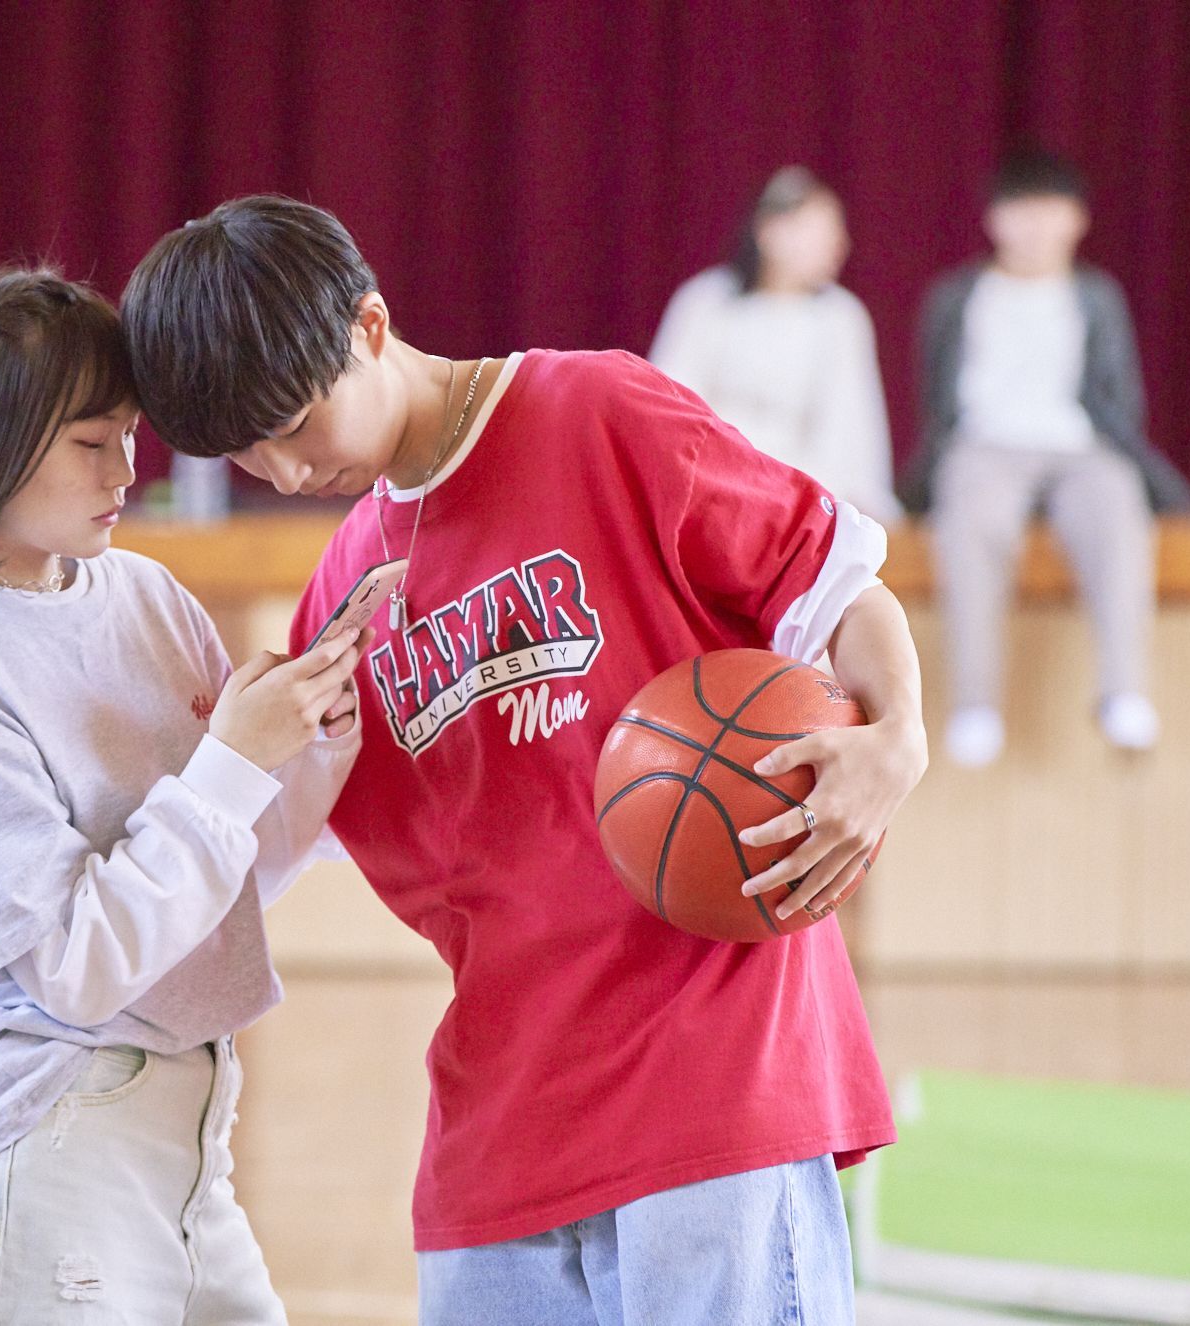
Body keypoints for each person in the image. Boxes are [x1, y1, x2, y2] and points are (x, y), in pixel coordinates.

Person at [123, 197, 927, 1325]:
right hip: (498, 1134)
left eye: (295, 424)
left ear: (367, 325)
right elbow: (269, 868)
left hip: (712, 1083)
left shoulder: (597, 410)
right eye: (244, 453)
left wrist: (895, 737)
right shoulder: (338, 604)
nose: (284, 471)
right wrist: (254, 758)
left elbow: (838, 585)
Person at [0, 266, 367, 1324]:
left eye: (130, 434)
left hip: (182, 1154)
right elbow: (76, 967)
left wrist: (310, 747)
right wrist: (231, 760)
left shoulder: (140, 594)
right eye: (92, 442)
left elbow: (219, 881)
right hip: (39, 1157)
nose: (126, 468)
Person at [902, 151, 1190, 767]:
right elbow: (935, 393)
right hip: (985, 446)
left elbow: (1120, 394)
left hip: (1080, 448)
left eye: (1049, 211)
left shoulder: (1096, 296)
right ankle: (975, 704)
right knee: (971, 526)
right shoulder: (958, 296)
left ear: (1077, 221)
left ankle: (1122, 693)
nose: (1033, 226)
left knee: (1118, 514)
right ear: (993, 220)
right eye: (1019, 210)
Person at [650, 165, 902, 521]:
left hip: (801, 486)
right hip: (711, 474)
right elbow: (670, 400)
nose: (837, 243)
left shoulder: (840, 317)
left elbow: (853, 423)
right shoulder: (706, 301)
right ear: (770, 232)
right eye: (820, 230)